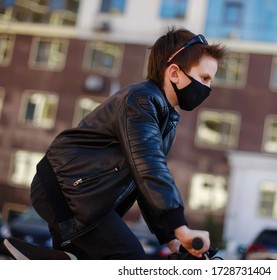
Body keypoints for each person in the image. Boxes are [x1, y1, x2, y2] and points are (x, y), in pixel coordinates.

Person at [5, 27, 226, 260]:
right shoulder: (140, 101)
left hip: (80, 194)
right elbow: (149, 167)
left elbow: (144, 183)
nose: (208, 88)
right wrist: (180, 227)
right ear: (174, 73)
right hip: (69, 190)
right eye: (204, 78)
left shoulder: (166, 118)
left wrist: (171, 239)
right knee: (131, 263)